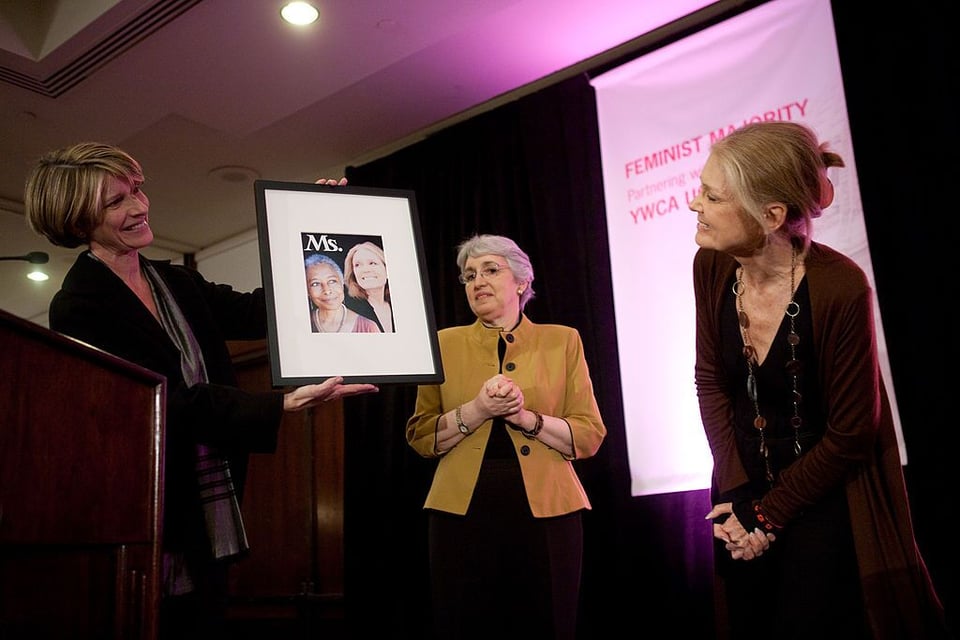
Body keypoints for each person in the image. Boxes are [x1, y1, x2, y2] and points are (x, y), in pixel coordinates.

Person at [24, 141, 379, 640]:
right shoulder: (77, 305)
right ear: (77, 221)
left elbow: (265, 312)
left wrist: (315, 229)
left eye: (137, 189)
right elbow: (162, 403)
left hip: (211, 502)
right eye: (116, 201)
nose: (139, 206)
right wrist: (282, 402)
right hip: (149, 511)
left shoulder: (176, 281)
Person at [688, 121, 950, 639]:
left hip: (821, 498)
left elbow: (853, 431)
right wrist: (741, 496)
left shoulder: (841, 287)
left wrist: (768, 514)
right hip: (739, 490)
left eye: (713, 196)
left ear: (771, 215)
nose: (696, 205)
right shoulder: (710, 265)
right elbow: (710, 379)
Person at [406, 233, 607, 639]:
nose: (477, 281)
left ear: (521, 281)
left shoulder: (562, 339)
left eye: (490, 270)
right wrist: (478, 410)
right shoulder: (441, 344)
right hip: (459, 512)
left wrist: (525, 418)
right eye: (468, 275)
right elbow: (421, 434)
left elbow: (588, 435)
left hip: (549, 511)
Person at [304, 252, 381, 333]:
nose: (327, 290)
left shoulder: (368, 327)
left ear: (342, 283)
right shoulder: (302, 324)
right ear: (307, 291)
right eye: (315, 284)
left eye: (332, 281)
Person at [343, 240, 394, 332]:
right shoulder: (349, 310)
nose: (365, 270)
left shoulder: (400, 306)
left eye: (372, 263)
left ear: (386, 269)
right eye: (357, 265)